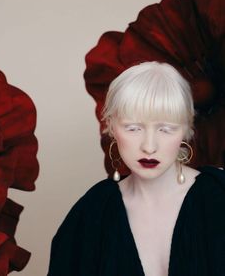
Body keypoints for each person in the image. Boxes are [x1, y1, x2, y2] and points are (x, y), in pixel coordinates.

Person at [47, 61, 225, 276]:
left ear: (187, 129)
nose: (149, 146)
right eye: (133, 128)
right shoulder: (91, 213)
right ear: (110, 126)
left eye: (166, 129)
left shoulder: (218, 196)